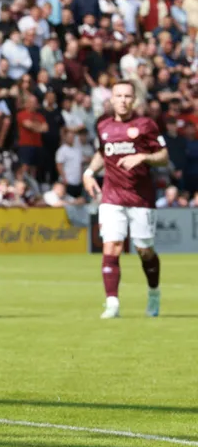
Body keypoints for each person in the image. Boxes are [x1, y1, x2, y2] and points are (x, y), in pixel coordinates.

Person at [82, 81, 168, 320]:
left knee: (144, 250)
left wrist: (143, 157)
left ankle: (153, 292)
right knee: (112, 246)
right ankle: (112, 303)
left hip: (141, 197)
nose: (122, 100)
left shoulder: (146, 125)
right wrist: (89, 172)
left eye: (127, 96)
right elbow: (103, 153)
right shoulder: (103, 124)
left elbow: (163, 156)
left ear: (134, 100)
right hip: (112, 196)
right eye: (118, 95)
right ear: (111, 99)